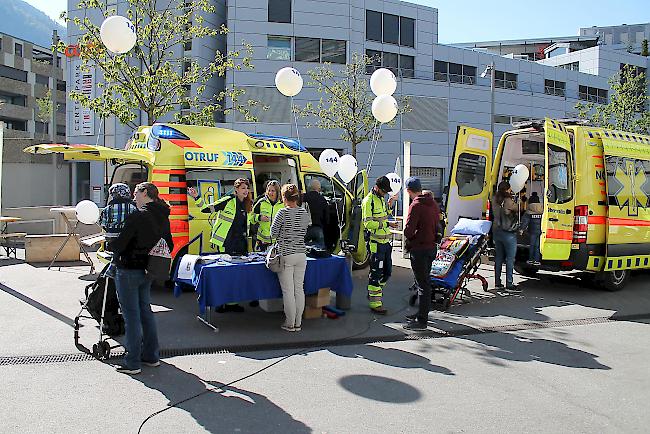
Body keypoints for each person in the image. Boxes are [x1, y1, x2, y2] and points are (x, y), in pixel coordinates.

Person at [110, 182, 173, 375]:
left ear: (145, 193)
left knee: (131, 316)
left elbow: (121, 244)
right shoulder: (163, 216)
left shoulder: (138, 216)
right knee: (145, 311)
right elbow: (168, 242)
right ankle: (151, 356)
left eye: (136, 193)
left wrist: (112, 245)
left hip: (129, 269)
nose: (133, 196)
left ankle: (132, 362)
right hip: (149, 270)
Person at [188, 178, 252, 312]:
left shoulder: (247, 203)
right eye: (243, 188)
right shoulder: (228, 200)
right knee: (224, 274)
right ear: (236, 190)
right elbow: (207, 209)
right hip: (226, 243)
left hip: (240, 243)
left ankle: (232, 303)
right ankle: (220, 303)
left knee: (235, 275)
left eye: (247, 188)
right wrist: (197, 197)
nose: (246, 191)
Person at [271, 184, 311, 332]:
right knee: (299, 289)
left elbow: (273, 233)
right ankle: (298, 322)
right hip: (301, 254)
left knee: (288, 291)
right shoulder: (304, 213)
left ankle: (290, 323)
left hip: (287, 254)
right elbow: (305, 230)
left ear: (283, 197)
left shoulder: (282, 213)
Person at [402, 178, 440, 330]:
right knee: (423, 283)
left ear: (408, 190)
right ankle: (420, 314)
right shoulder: (433, 204)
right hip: (431, 248)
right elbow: (438, 224)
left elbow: (409, 230)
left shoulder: (416, 205)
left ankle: (422, 321)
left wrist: (409, 235)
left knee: (423, 285)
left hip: (419, 249)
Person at [362, 176, 398, 315]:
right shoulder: (368, 201)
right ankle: (375, 304)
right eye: (384, 191)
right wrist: (387, 224)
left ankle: (373, 293)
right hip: (375, 243)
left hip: (385, 242)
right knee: (376, 274)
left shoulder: (381, 199)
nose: (385, 193)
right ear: (377, 187)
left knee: (387, 273)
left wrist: (390, 204)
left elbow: (384, 214)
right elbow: (368, 224)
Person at [99, 183, 138, 276]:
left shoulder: (107, 209)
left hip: (111, 238)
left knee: (116, 253)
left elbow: (102, 223)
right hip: (126, 238)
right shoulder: (132, 207)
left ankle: (113, 267)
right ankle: (113, 268)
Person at [491, 181, 520, 290]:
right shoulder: (508, 201)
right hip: (508, 232)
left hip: (496, 231)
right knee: (510, 259)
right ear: (507, 189)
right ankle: (509, 284)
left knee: (498, 257)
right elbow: (519, 209)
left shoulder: (494, 199)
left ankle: (497, 283)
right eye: (509, 189)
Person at [252, 180, 283, 251]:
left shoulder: (283, 205)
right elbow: (251, 218)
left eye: (273, 191)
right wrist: (259, 217)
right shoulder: (261, 202)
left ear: (278, 192)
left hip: (278, 243)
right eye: (269, 190)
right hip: (262, 243)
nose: (270, 193)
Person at [302, 179, 329, 249]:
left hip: (304, 229)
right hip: (318, 229)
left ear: (310, 187)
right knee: (320, 251)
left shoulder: (303, 197)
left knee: (302, 249)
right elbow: (326, 218)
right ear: (319, 189)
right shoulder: (322, 199)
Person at [521, 192, 543, 266]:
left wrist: (522, 229)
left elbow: (525, 222)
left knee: (532, 245)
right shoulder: (542, 210)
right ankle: (537, 260)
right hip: (540, 231)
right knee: (537, 246)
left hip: (532, 231)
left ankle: (531, 259)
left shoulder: (529, 212)